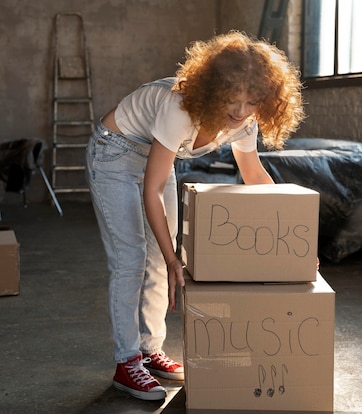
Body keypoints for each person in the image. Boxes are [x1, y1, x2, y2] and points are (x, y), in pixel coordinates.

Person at [85, 31, 304, 401]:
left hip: (156, 158)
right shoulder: (182, 105)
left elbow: (254, 176)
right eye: (233, 99)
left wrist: (295, 244)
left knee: (159, 259)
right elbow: (151, 188)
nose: (240, 111)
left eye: (252, 101)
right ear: (215, 90)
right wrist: (174, 258)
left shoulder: (246, 121)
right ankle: (126, 363)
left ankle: (151, 350)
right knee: (132, 260)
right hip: (115, 152)